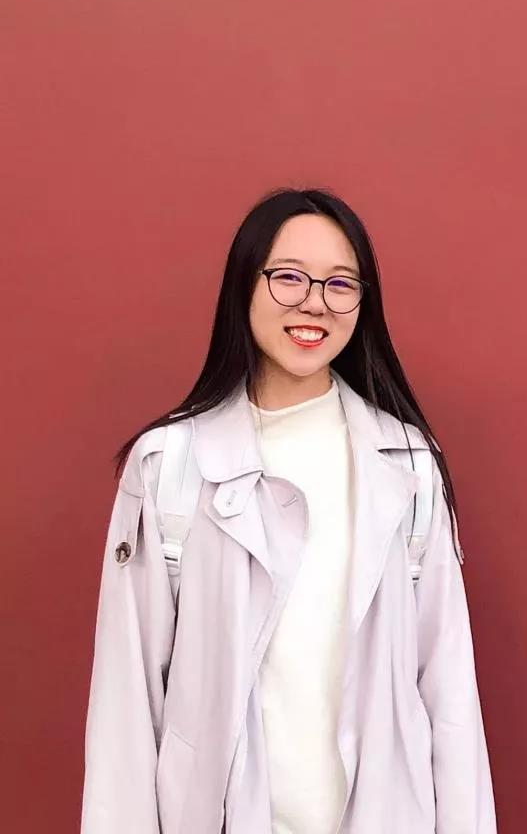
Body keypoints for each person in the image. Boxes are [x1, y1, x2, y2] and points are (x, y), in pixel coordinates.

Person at [80, 187, 498, 834]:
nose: (315, 302)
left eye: (341, 283)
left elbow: (447, 688)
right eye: (289, 277)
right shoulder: (170, 465)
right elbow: (128, 698)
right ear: (243, 285)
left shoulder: (408, 464)